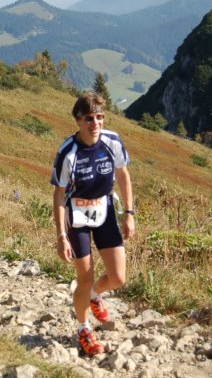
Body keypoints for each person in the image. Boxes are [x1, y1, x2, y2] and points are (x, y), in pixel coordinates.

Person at [50, 92, 135, 357]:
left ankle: (95, 295)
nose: (95, 123)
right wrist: (61, 236)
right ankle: (84, 329)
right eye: (89, 118)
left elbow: (123, 174)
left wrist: (129, 212)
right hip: (77, 215)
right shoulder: (68, 152)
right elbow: (59, 195)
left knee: (118, 278)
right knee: (84, 277)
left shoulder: (112, 141)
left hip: (105, 209)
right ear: (78, 120)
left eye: (99, 117)